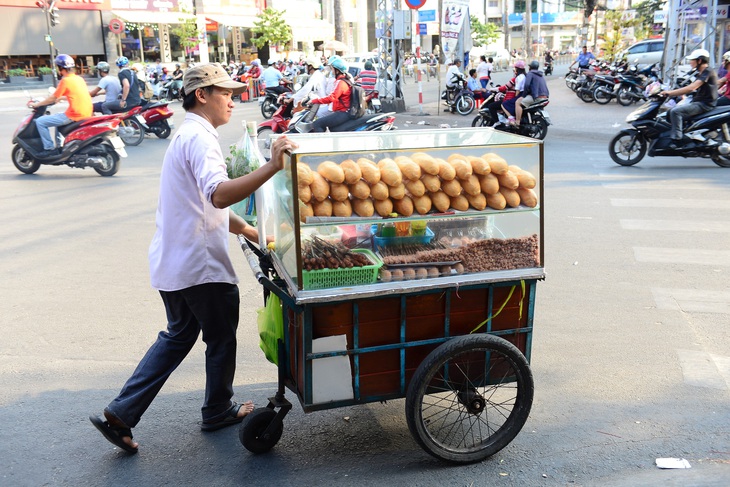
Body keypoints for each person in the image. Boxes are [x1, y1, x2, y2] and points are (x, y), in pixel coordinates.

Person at [89, 63, 298, 454]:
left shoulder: (188, 134)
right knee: (219, 336)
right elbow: (218, 194)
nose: (233, 102)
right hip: (199, 266)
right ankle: (217, 409)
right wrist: (272, 165)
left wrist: (248, 230)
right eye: (227, 94)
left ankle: (120, 414)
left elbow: (202, 203)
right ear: (201, 95)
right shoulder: (200, 138)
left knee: (179, 335)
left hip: (175, 261)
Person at [29, 54, 93, 157]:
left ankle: (49, 149)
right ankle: (60, 147)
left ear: (61, 68)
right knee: (58, 118)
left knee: (41, 122)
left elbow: (52, 98)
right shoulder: (79, 79)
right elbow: (74, 95)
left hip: (74, 115)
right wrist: (61, 98)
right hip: (86, 112)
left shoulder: (65, 80)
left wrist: (37, 104)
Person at [660, 48, 717, 148]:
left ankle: (677, 140)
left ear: (699, 60)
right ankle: (687, 135)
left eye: (692, 60)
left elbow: (692, 87)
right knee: (670, 111)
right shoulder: (701, 72)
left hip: (704, 104)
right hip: (699, 101)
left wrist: (670, 93)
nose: (690, 62)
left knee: (675, 112)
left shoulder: (707, 71)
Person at [307, 55, 353, 133]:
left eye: (332, 69)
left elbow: (332, 98)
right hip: (342, 112)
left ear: (337, 70)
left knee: (317, 124)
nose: (331, 71)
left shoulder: (341, 82)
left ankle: (322, 144)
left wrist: (315, 101)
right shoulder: (343, 80)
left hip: (343, 113)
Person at [514, 60, 550, 127]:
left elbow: (527, 85)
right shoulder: (541, 74)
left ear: (530, 67)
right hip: (545, 97)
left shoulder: (530, 74)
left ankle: (517, 122)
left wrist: (523, 95)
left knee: (517, 103)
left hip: (536, 96)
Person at [502, 60, 527, 125]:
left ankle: (511, 118)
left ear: (517, 69)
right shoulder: (525, 76)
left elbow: (517, 90)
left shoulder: (518, 77)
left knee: (504, 104)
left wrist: (515, 97)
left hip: (520, 94)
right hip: (525, 94)